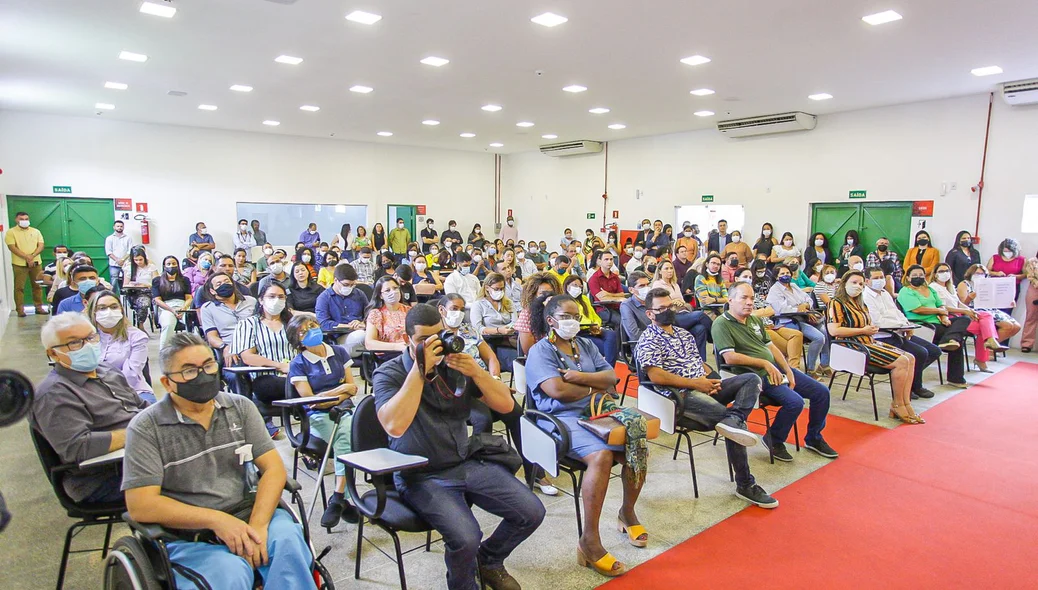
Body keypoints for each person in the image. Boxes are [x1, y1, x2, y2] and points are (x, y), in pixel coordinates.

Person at [371, 304, 545, 590]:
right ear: (407, 340)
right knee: (466, 536)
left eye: (439, 337)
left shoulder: (454, 365)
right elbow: (394, 425)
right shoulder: (388, 374)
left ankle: (488, 560)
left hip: (463, 461)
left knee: (531, 512)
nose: (434, 347)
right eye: (424, 341)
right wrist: (419, 369)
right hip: (420, 474)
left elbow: (505, 405)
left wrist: (477, 372)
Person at [122, 332, 312, 589]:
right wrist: (217, 520)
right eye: (189, 371)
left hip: (249, 513)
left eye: (208, 365)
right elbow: (141, 505)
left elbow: (274, 469)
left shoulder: (240, 408)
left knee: (288, 545)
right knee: (230, 574)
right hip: (191, 536)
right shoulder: (146, 428)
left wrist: (257, 525)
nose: (203, 375)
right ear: (167, 383)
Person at [526, 294, 646, 578]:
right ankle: (589, 541)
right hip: (560, 418)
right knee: (602, 455)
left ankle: (627, 513)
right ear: (552, 320)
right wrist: (597, 386)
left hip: (598, 412)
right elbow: (557, 391)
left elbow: (611, 378)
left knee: (636, 441)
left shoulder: (586, 345)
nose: (573, 322)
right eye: (567, 316)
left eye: (576, 316)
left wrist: (579, 379)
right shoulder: (541, 351)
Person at [636, 287, 777, 506]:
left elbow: (699, 363)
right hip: (678, 398)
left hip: (701, 386)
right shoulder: (648, 339)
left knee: (750, 379)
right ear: (650, 314)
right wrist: (697, 384)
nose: (667, 311)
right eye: (661, 309)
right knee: (730, 423)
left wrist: (710, 381)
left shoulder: (684, 334)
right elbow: (656, 376)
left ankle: (734, 419)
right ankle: (745, 484)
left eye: (670, 306)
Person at [713, 281, 839, 462]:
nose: (749, 302)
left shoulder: (754, 320)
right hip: (753, 375)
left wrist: (788, 369)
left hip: (774, 369)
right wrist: (764, 363)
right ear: (730, 300)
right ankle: (774, 439)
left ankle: (814, 438)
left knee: (821, 392)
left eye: (752, 298)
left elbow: (771, 347)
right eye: (744, 298)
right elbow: (730, 358)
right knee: (795, 402)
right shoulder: (721, 324)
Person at [33, 312, 149, 503]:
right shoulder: (54, 394)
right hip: (102, 478)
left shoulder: (107, 371)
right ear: (53, 353)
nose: (88, 346)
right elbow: (78, 447)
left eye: (90, 337)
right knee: (193, 480)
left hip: (138, 459)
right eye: (75, 343)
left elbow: (142, 407)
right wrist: (140, 432)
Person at [285, 314, 361, 528]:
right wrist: (340, 391)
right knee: (346, 438)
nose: (311, 330)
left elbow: (353, 388)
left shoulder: (338, 351)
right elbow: (312, 402)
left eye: (313, 325)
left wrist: (332, 396)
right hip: (317, 418)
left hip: (344, 410)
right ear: (298, 341)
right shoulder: (298, 364)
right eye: (303, 330)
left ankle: (339, 499)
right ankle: (340, 498)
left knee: (355, 431)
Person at [827, 272, 922, 423]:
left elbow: (866, 324)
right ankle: (897, 404)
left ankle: (905, 403)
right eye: (854, 282)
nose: (857, 286)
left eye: (861, 284)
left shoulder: (861, 303)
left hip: (868, 341)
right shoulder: (836, 303)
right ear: (844, 283)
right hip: (851, 346)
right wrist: (863, 330)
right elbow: (834, 331)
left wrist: (869, 328)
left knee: (910, 358)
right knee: (902, 362)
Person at [860, 266, 940, 399]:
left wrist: (907, 324)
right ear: (867, 281)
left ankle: (911, 382)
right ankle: (909, 387)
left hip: (898, 331)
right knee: (920, 353)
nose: (880, 280)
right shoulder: (866, 297)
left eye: (881, 277)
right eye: (875, 278)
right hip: (882, 336)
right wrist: (901, 325)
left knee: (934, 351)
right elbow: (877, 321)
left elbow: (897, 312)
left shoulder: (885, 293)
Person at [232, 282, 294, 434]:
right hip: (267, 378)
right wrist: (280, 366)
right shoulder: (248, 324)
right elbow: (248, 357)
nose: (276, 300)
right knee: (281, 384)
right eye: (271, 296)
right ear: (261, 300)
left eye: (281, 297)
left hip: (296, 374)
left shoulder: (292, 324)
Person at [897, 264, 970, 387]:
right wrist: (939, 312)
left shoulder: (930, 290)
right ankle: (955, 376)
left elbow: (941, 305)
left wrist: (944, 317)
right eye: (914, 275)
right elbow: (917, 309)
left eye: (921, 275)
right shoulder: (906, 291)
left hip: (938, 322)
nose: (918, 277)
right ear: (908, 278)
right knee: (958, 340)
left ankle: (949, 341)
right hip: (923, 325)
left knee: (963, 321)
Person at [930, 263, 1006, 372]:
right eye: (941, 271)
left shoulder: (949, 287)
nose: (945, 273)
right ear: (935, 274)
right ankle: (986, 349)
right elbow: (942, 307)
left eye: (947, 271)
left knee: (984, 318)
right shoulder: (934, 287)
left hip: (960, 315)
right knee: (984, 326)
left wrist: (970, 311)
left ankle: (989, 342)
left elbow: (959, 303)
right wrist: (965, 311)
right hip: (949, 319)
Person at [86, 291, 156, 405]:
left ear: (121, 310)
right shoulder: (84, 337)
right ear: (93, 312)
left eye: (114, 307)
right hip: (91, 393)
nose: (109, 312)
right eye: (102, 308)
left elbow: (131, 375)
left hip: (133, 391)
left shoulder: (136, 336)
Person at [766, 264, 831, 378]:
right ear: (776, 277)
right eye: (782, 274)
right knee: (818, 338)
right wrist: (799, 309)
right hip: (789, 320)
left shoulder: (794, 286)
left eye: (787, 273)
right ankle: (810, 370)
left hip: (804, 317)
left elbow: (808, 299)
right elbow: (781, 309)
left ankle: (824, 365)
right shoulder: (775, 290)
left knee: (825, 332)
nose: (786, 275)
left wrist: (805, 305)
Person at [741, 265, 805, 371]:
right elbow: (748, 314)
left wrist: (758, 312)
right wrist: (762, 312)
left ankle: (793, 369)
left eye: (750, 277)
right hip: (759, 328)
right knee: (789, 348)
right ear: (737, 279)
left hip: (772, 324)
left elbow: (771, 310)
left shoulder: (755, 295)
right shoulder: (736, 297)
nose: (748, 279)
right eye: (745, 276)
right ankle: (793, 370)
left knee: (797, 335)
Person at [958, 264, 1022, 344]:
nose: (979, 276)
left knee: (1016, 327)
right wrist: (970, 298)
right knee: (1007, 326)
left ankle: (989, 345)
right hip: (975, 310)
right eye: (977, 273)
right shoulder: (964, 284)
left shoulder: (989, 284)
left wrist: (1008, 302)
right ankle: (990, 349)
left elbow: (996, 299)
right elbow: (963, 305)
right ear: (971, 274)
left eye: (982, 274)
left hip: (991, 309)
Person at [200, 272, 258, 359]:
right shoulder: (207, 308)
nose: (224, 285)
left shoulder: (251, 301)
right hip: (232, 349)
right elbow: (212, 337)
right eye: (219, 284)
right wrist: (225, 347)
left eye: (227, 281)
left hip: (257, 346)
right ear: (212, 291)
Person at [5, 211, 47, 316]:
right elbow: (12, 247)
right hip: (19, 264)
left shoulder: (36, 231)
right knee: (19, 288)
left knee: (37, 286)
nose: (24, 221)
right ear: (16, 220)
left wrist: (32, 256)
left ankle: (39, 307)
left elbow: (41, 245)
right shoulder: (11, 232)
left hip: (36, 263)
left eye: (26, 219)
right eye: (21, 219)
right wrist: (26, 257)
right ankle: (20, 310)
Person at [363, 276, 411, 359]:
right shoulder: (376, 314)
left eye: (395, 288)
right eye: (387, 290)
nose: (393, 292)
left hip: (411, 354)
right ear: (381, 295)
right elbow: (369, 343)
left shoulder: (410, 311)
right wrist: (397, 347)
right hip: (389, 356)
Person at [152, 256, 192, 348]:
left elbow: (189, 297)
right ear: (164, 266)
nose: (171, 266)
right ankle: (164, 351)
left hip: (183, 306)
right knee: (168, 324)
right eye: (169, 264)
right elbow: (157, 300)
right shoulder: (157, 281)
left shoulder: (184, 280)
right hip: (166, 308)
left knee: (193, 323)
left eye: (174, 264)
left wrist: (184, 308)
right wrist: (172, 310)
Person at [122, 246, 159, 330]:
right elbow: (125, 285)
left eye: (140, 259)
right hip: (134, 293)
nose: (138, 262)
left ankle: (141, 323)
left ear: (144, 258)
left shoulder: (151, 267)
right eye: (136, 260)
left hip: (148, 292)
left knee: (144, 303)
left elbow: (157, 282)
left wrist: (145, 285)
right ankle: (140, 325)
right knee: (142, 303)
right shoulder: (129, 268)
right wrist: (134, 285)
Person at [988, 238, 1027, 316]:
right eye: (1005, 251)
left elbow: (1026, 274)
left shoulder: (1021, 259)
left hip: (1012, 288)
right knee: (993, 311)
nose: (1007, 253)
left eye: (1009, 251)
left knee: (1006, 311)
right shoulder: (995, 257)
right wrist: (996, 273)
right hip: (996, 287)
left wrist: (1015, 276)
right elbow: (986, 271)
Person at [104, 220, 132, 294]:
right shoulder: (109, 238)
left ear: (123, 227)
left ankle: (126, 299)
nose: (119, 228)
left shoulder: (128, 238)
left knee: (127, 282)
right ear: (114, 227)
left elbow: (130, 251)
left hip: (126, 264)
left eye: (121, 226)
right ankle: (113, 297)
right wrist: (117, 260)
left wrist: (122, 260)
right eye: (118, 226)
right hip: (114, 264)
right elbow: (109, 252)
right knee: (113, 282)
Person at [1023, 255, 1038, 353]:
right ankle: (1026, 344)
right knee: (1031, 316)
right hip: (1034, 288)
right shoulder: (1033, 261)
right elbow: (1030, 276)